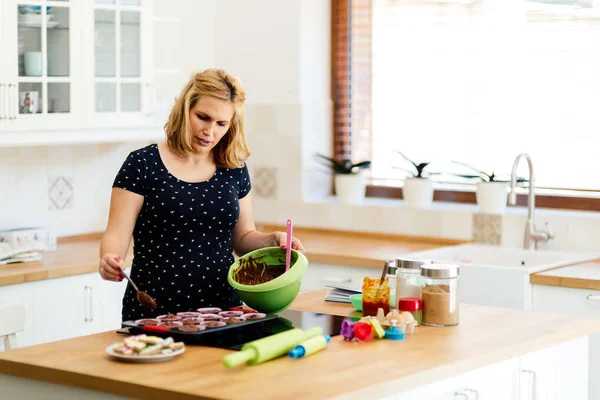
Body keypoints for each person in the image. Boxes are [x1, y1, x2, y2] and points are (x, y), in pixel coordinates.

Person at [98, 69, 305, 321]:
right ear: (184, 110)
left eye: (221, 124)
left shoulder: (234, 168)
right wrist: (109, 259)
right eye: (203, 117)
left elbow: (243, 239)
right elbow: (116, 235)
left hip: (223, 312)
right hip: (155, 312)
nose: (210, 131)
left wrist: (272, 239)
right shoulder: (142, 164)